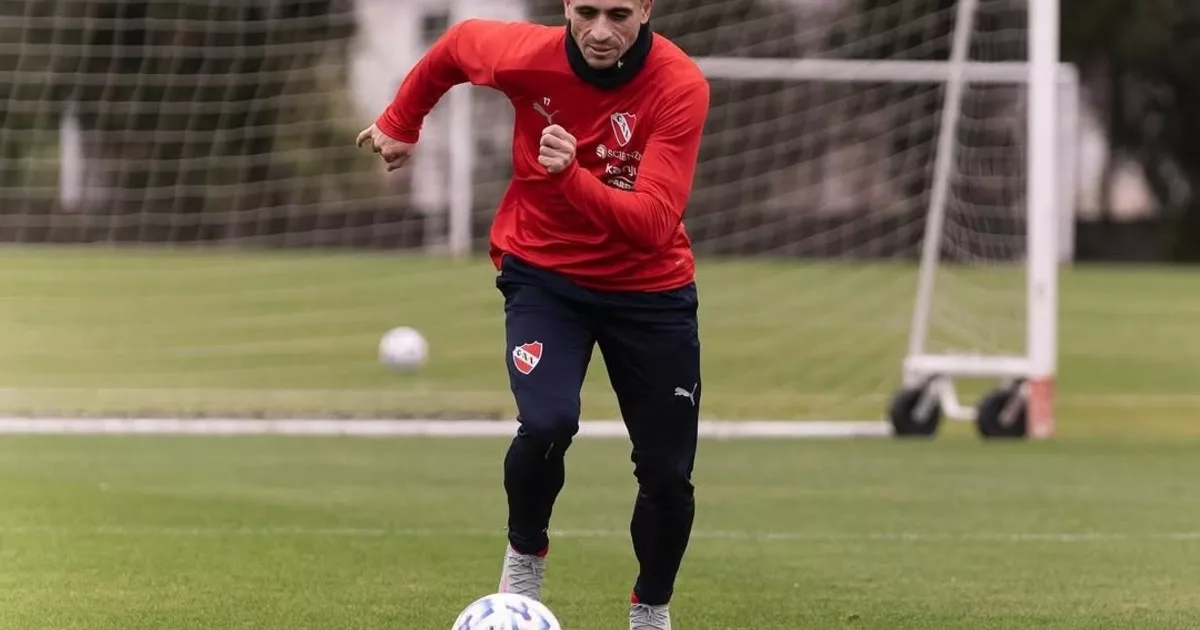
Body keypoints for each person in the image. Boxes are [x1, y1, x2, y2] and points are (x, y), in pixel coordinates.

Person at [356, 1, 709, 627]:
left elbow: (654, 225)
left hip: (650, 291)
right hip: (546, 275)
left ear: (647, 8)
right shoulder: (526, 55)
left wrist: (571, 175)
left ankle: (650, 611)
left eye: (620, 14)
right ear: (568, 6)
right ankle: (524, 556)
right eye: (588, 11)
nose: (601, 32)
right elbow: (456, 46)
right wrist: (401, 121)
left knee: (666, 473)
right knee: (546, 423)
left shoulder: (678, 84)